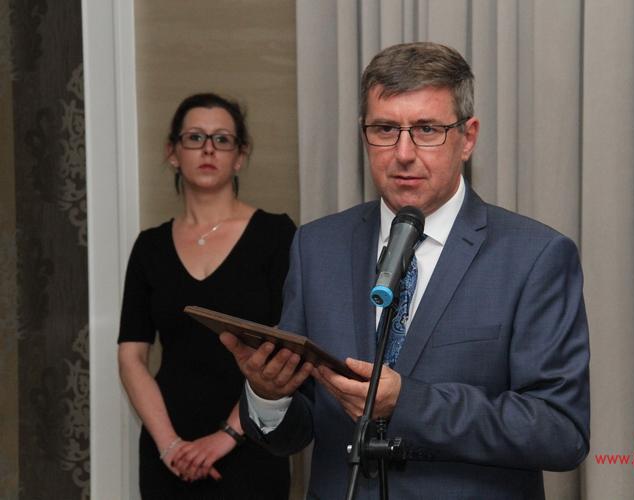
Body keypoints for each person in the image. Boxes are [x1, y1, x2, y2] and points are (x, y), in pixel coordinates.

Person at [223, 43, 590, 499]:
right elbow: (299, 431)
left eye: (427, 130)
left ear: (468, 137)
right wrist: (268, 395)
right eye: (384, 129)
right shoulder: (316, 246)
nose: (403, 153)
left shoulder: (534, 256)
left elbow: (560, 431)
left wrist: (408, 402)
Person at [118, 93, 295, 499]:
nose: (209, 149)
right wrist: (170, 445)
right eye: (195, 137)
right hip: (169, 451)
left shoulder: (276, 235)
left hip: (253, 443)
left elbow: (286, 349)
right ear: (173, 152)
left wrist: (228, 434)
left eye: (222, 139)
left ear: (240, 156)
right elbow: (131, 357)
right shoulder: (150, 247)